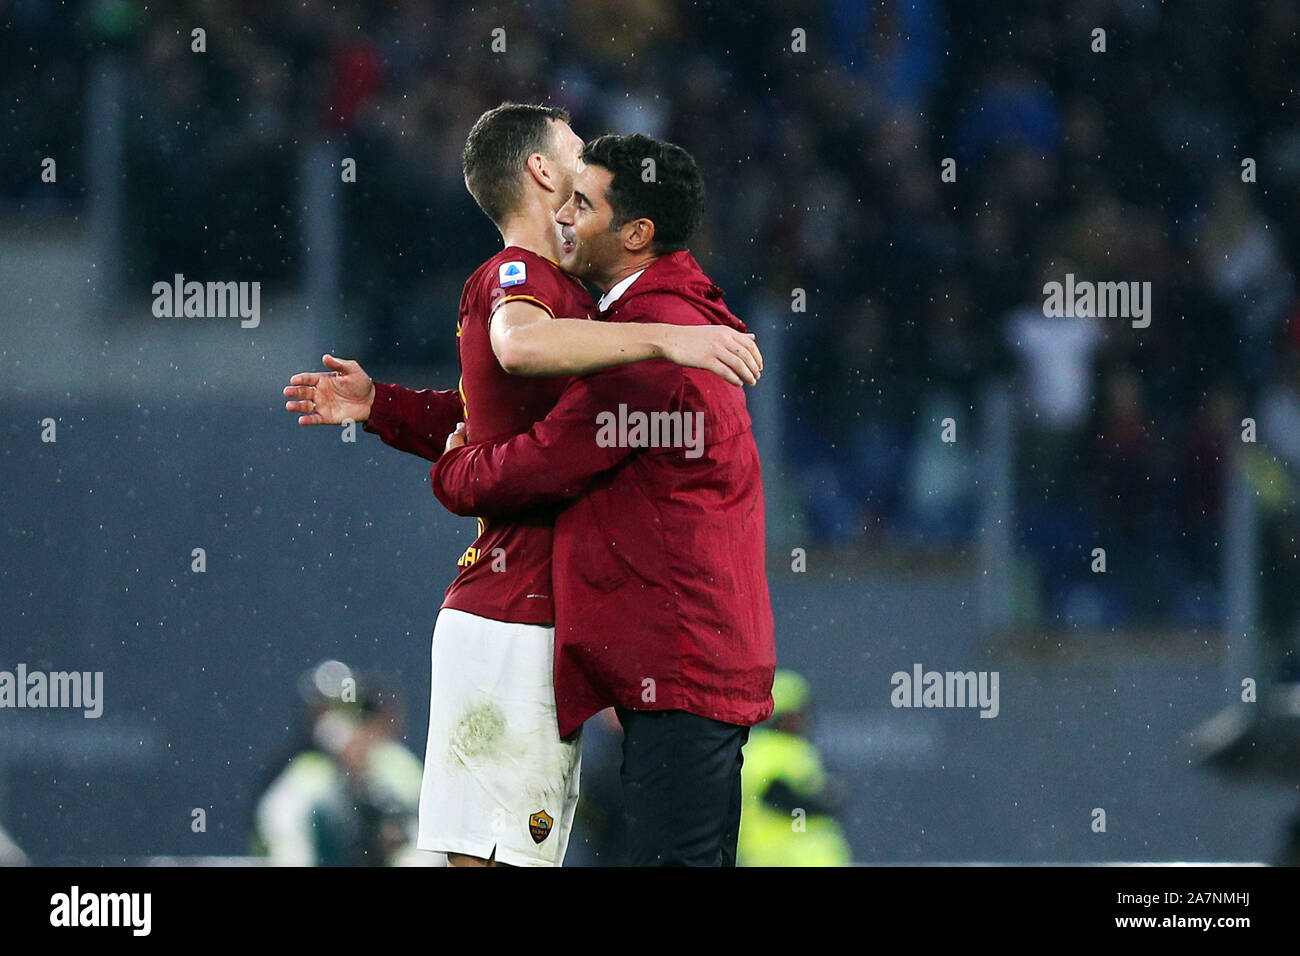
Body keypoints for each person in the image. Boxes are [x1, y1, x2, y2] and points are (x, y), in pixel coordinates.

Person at [282, 104, 761, 867]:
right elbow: (519, 350)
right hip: (508, 618)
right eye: (574, 151)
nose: (584, 159)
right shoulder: (524, 273)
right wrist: (670, 336)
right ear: (542, 171)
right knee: (491, 861)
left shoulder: (581, 301)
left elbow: (495, 421)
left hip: (545, 623)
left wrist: (385, 408)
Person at [432, 133, 776, 866]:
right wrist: (390, 411)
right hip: (689, 657)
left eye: (583, 205)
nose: (564, 217)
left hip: (683, 658)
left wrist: (453, 469)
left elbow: (543, 458)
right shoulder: (660, 322)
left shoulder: (653, 340)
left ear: (636, 233)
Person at [737, 670, 852, 867]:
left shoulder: (788, 749)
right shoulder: (767, 750)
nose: (803, 720)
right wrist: (823, 802)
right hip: (781, 857)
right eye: (796, 714)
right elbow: (778, 798)